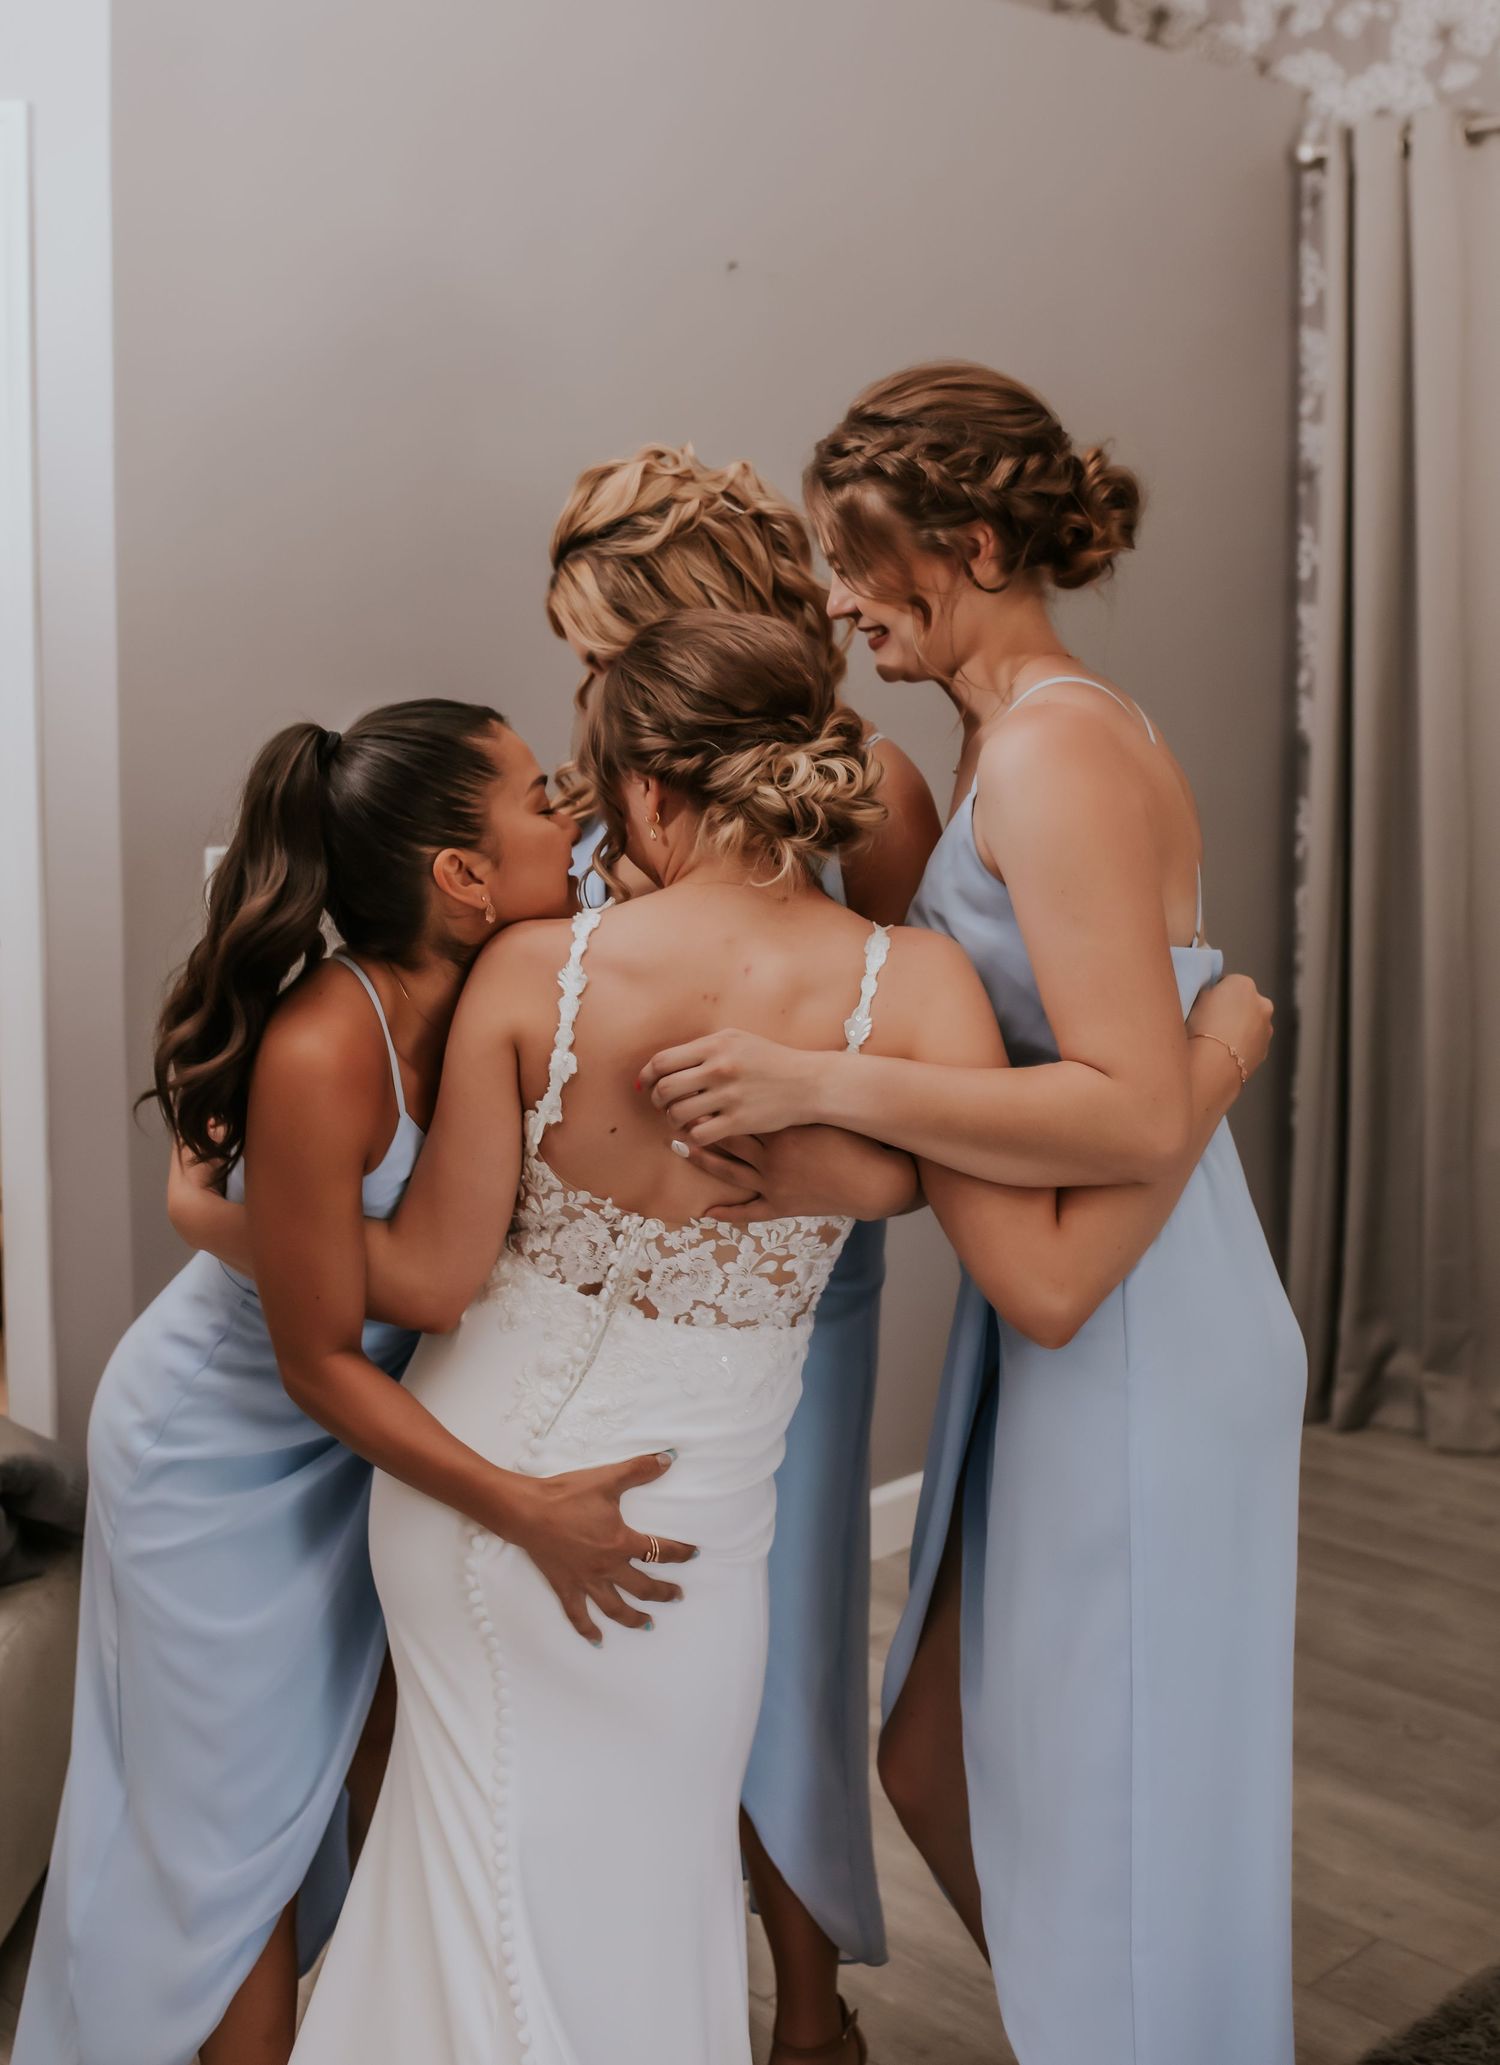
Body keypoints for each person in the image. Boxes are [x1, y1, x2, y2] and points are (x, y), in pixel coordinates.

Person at [287, 611, 1270, 2065]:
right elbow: (1044, 1258)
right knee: (652, 1896)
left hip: (463, 1489)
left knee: (453, 1885)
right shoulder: (916, 987)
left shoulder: (535, 969)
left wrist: (250, 1224)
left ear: (649, 793)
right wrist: (1214, 1058)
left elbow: (431, 1279)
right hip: (682, 1538)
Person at [644, 365, 1307, 2065]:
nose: (841, 601)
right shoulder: (1003, 738)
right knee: (931, 1752)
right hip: (1072, 1301)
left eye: (861, 562)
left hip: (1141, 1312)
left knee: (1115, 1811)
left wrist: (828, 1084)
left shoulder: (1057, 751)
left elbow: (1127, 1105)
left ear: (979, 548)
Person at [15, 702, 688, 2065]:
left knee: (356, 1784)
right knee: (228, 1852)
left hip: (361, 1451)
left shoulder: (515, 983)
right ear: (460, 875)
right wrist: (526, 1507)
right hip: (220, 1457)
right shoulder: (330, 1041)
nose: (572, 812)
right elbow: (316, 1359)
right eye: (539, 799)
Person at [544, 443, 940, 2054]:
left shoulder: (872, 788)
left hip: (794, 1288)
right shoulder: (598, 778)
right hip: (595, 1288)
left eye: (608, 649)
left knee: (780, 1641)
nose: (589, 687)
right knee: (621, 1636)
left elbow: (937, 1067)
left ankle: (807, 2008)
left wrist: (797, 1113)